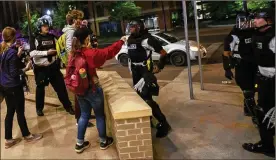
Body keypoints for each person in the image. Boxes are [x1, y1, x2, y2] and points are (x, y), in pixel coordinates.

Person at [70, 27, 127, 153]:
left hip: (79, 91)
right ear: (87, 38)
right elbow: (108, 52)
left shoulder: (73, 53)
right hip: (92, 90)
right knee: (100, 115)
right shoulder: (90, 53)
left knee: (84, 115)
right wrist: (121, 41)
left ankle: (79, 143)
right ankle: (103, 141)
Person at [126, 20, 171, 138]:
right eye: (129, 27)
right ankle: (149, 119)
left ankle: (164, 123)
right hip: (136, 73)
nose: (130, 29)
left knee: (147, 99)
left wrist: (159, 66)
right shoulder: (130, 39)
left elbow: (164, 53)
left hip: (145, 72)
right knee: (140, 98)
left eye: (133, 27)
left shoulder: (147, 40)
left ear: (139, 27)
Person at [0, 27, 43, 149]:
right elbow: (14, 73)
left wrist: (17, 55)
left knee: (10, 112)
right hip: (13, 86)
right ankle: (27, 136)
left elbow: (6, 66)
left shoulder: (2, 49)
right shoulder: (11, 52)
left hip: (5, 86)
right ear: (13, 37)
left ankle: (8, 139)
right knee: (19, 111)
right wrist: (26, 68)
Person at [242, 8, 275, 155]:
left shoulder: (273, 37)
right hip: (263, 80)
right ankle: (267, 143)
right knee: (262, 113)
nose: (254, 20)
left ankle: (267, 147)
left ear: (269, 20)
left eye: (257, 18)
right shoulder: (256, 35)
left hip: (272, 81)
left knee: (264, 113)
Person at [30, 16, 74, 116]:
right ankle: (39, 109)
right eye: (44, 26)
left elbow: (61, 48)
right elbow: (32, 53)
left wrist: (64, 59)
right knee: (40, 89)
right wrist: (47, 53)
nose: (46, 27)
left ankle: (68, 107)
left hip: (53, 68)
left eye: (47, 25)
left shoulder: (52, 37)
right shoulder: (35, 38)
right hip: (41, 69)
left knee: (61, 88)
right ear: (39, 27)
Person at [223, 12, 258, 125]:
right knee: (248, 93)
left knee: (254, 90)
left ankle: (247, 109)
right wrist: (227, 68)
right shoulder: (234, 36)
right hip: (242, 66)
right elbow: (226, 53)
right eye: (243, 21)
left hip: (255, 65)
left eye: (247, 21)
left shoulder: (255, 32)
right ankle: (255, 116)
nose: (246, 24)